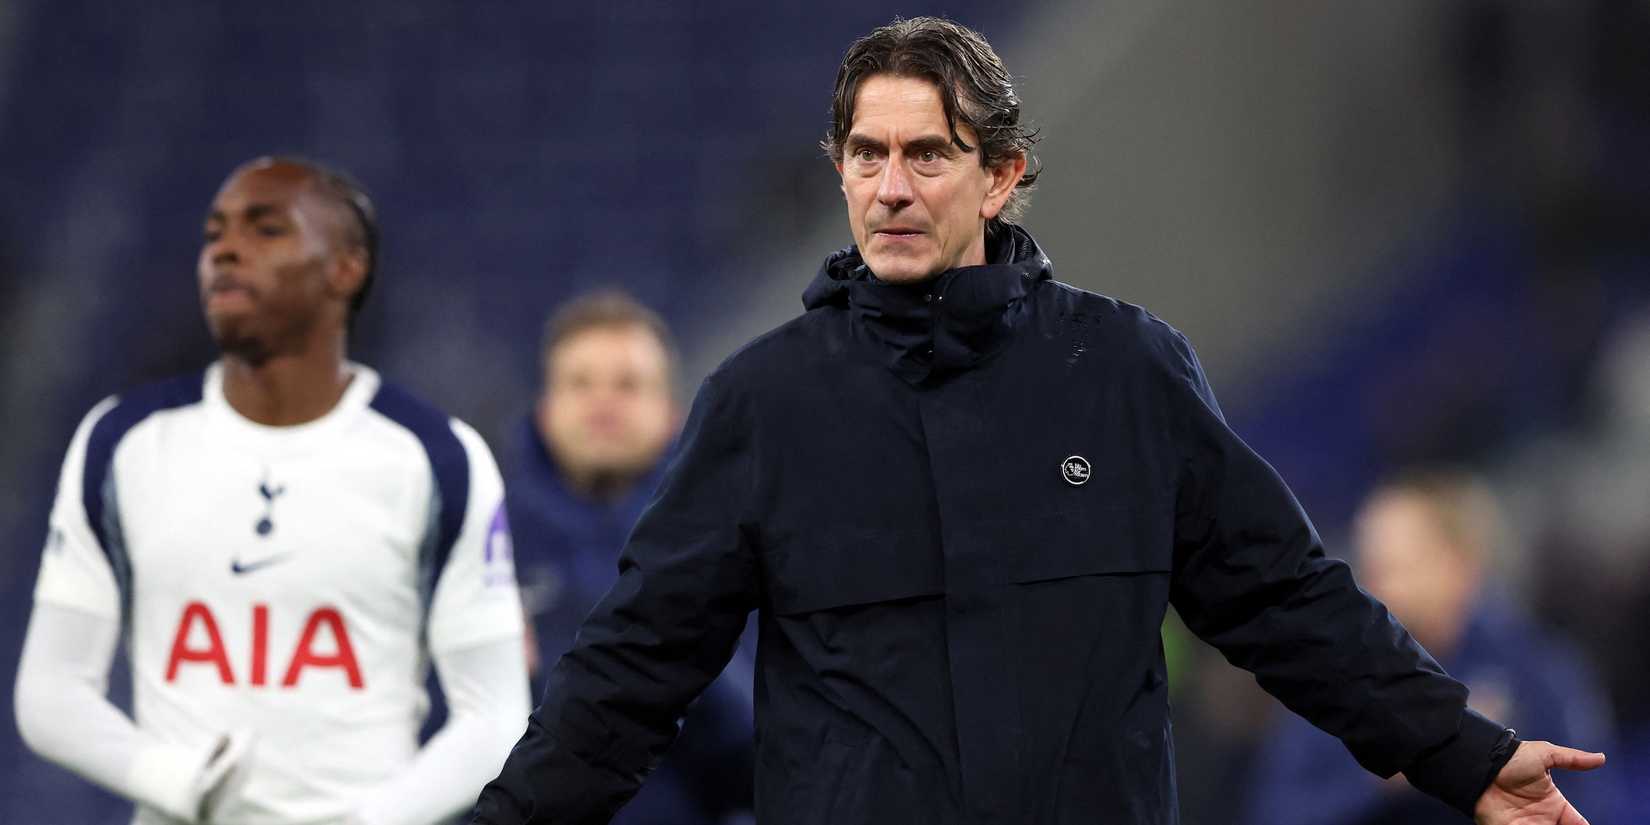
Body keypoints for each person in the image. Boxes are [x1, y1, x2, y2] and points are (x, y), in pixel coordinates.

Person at [472, 18, 1603, 825]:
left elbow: (1286, 601)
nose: (893, 187)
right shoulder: (764, 401)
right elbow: (630, 670)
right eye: (867, 155)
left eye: (928, 155)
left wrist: (1460, 754)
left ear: (1002, 174)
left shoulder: (1124, 370)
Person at [14, 157, 530, 825]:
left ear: (347, 268)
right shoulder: (121, 442)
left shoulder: (437, 457)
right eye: (213, 233)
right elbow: (49, 690)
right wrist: (180, 782)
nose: (224, 249)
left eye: (267, 229)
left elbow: (494, 715)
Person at [1243, 469, 1619, 825]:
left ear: (1459, 565)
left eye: (1397, 567)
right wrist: (1399, 771)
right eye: (1369, 567)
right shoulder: (1333, 678)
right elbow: (1280, 810)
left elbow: (1590, 803)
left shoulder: (1535, 673)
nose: (1375, 586)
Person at [504, 290, 754, 824]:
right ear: (546, 410)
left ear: (671, 413)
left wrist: (690, 655)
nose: (603, 402)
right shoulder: (485, 539)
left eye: (627, 384)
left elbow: (765, 753)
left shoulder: (738, 537)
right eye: (581, 383)